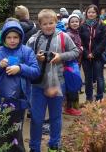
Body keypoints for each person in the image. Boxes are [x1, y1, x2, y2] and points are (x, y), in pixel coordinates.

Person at [27, 9, 79, 152]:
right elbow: (25, 55)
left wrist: (60, 57)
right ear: (40, 25)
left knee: (56, 116)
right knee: (37, 118)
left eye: (51, 23)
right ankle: (34, 147)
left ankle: (55, 143)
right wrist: (36, 58)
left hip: (58, 83)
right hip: (37, 85)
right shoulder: (33, 39)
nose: (48, 26)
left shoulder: (64, 37)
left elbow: (75, 52)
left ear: (56, 22)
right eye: (45, 24)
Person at [0, 21, 40, 151]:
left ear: (20, 37)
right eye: (9, 37)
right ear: (4, 38)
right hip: (0, 99)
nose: (12, 40)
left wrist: (20, 68)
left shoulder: (26, 52)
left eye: (15, 37)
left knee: (15, 134)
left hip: (19, 100)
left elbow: (36, 72)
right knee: (0, 133)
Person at [79, 5, 106, 102]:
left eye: (93, 12)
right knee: (88, 78)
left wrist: (94, 53)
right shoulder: (82, 26)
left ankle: (99, 97)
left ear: (97, 13)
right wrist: (87, 53)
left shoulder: (102, 25)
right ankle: (89, 98)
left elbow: (103, 42)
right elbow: (80, 41)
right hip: (85, 56)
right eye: (89, 12)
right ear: (86, 14)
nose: (91, 14)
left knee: (99, 77)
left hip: (98, 56)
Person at [65, 13, 83, 116]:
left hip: (76, 63)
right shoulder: (69, 34)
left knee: (74, 84)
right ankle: (69, 108)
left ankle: (74, 105)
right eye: (72, 22)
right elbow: (69, 50)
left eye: (76, 21)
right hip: (70, 64)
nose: (75, 23)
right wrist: (80, 50)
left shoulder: (76, 33)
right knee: (71, 85)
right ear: (69, 23)